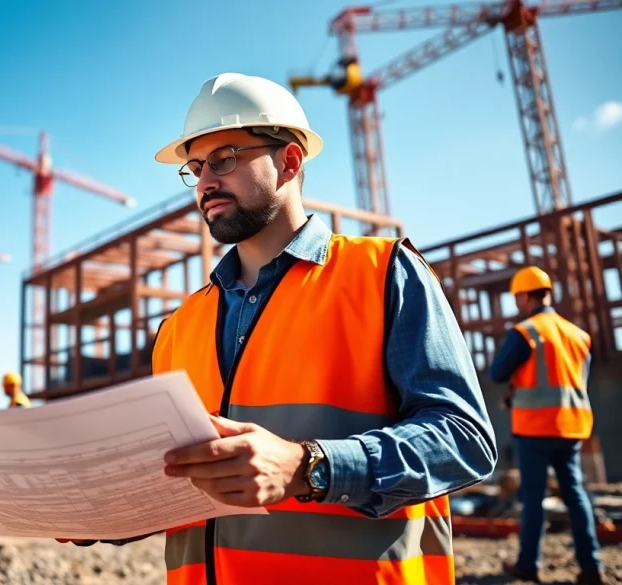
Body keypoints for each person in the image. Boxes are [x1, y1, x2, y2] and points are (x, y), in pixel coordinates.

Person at [53, 72, 499, 583]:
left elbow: (464, 441)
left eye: (223, 159)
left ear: (289, 161)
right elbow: (180, 489)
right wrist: (97, 513)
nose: (204, 183)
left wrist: (308, 467)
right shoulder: (179, 327)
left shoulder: (382, 274)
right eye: (195, 168)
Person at [490, 266, 604, 585]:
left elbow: (497, 373)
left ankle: (529, 565)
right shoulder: (578, 335)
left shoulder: (526, 332)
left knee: (533, 496)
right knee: (576, 496)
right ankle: (591, 567)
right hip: (572, 426)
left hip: (535, 427)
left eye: (517, 298)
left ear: (524, 296)